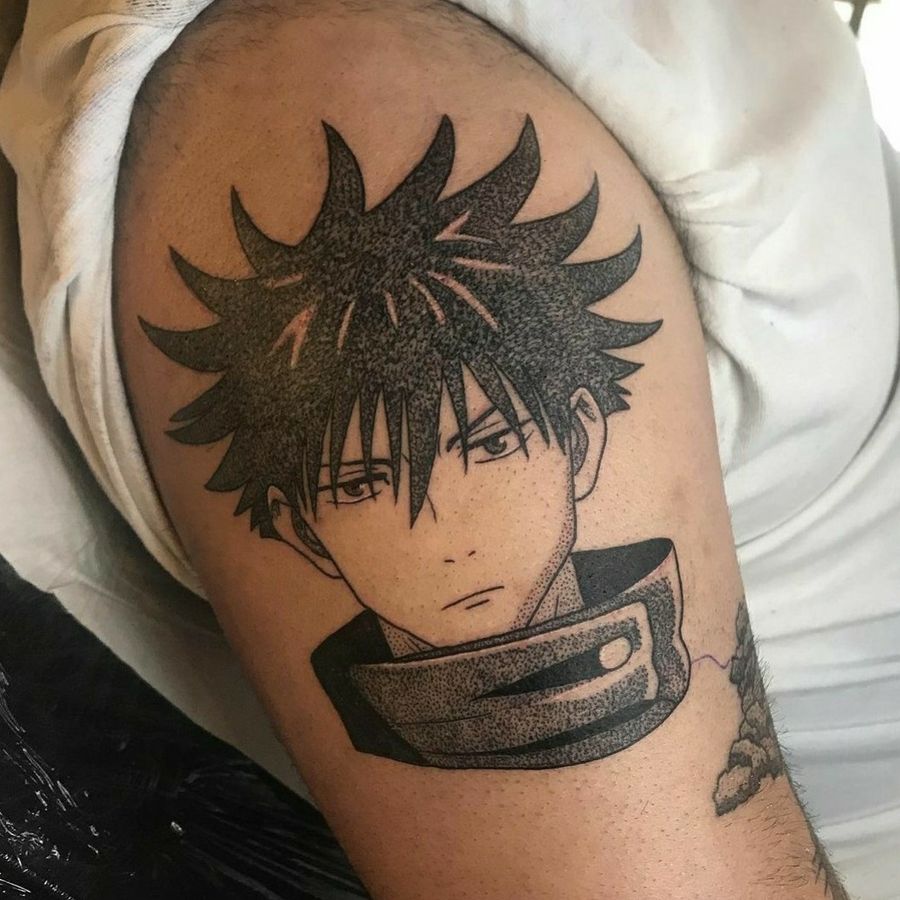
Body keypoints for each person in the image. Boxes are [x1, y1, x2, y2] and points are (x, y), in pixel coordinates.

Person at [105, 2, 852, 896]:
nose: (449, 536)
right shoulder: (312, 86)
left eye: (492, 445)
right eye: (365, 485)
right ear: (302, 530)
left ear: (580, 439)